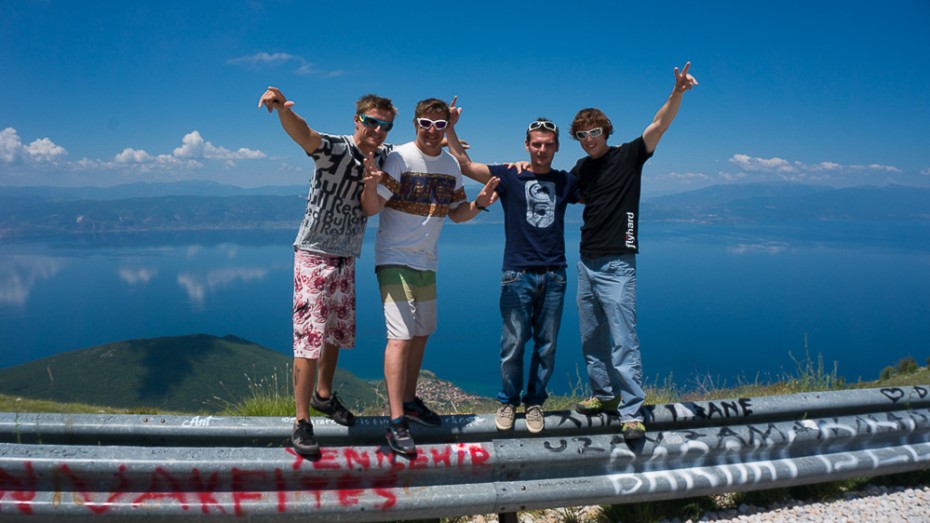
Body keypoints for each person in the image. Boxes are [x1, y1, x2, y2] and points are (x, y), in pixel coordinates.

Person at [258, 87, 397, 457]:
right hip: (313, 254)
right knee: (308, 338)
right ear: (358, 121)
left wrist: (445, 142)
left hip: (346, 256)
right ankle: (301, 421)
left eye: (385, 125)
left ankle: (323, 395)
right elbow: (305, 134)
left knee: (335, 333)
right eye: (372, 122)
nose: (378, 130)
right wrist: (282, 108)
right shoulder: (335, 148)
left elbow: (377, 202)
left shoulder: (384, 157)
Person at [361, 98, 500, 456]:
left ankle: (409, 401)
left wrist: (481, 203)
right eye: (426, 123)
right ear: (415, 123)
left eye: (440, 125)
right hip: (393, 259)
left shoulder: (452, 165)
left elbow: (456, 214)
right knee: (401, 338)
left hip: (427, 263)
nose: (432, 131)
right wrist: (370, 186)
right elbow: (373, 207)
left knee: (422, 334)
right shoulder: (400, 158)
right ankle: (395, 422)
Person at [570, 62, 698, 440]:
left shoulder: (629, 156)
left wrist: (676, 93)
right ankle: (604, 395)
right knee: (591, 338)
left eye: (593, 131)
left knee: (623, 339)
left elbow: (658, 125)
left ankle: (631, 412)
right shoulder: (581, 168)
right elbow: (559, 192)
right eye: (581, 134)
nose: (588, 138)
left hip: (617, 264)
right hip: (586, 263)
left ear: (605, 132)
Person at [445, 105, 579, 434]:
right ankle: (508, 401)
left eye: (548, 144)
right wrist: (449, 127)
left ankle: (534, 403)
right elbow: (463, 165)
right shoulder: (508, 175)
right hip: (517, 274)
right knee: (513, 345)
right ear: (527, 145)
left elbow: (602, 186)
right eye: (536, 144)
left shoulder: (565, 182)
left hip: (555, 275)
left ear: (557, 147)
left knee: (547, 346)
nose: (542, 149)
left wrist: (612, 154)